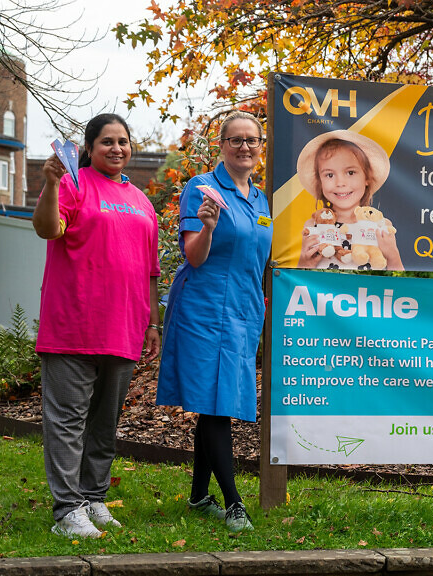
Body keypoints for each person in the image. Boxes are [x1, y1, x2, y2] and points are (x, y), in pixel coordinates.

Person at [32, 113, 160, 538]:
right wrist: (51, 184)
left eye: (123, 141)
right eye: (107, 141)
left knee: (104, 424)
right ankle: (68, 511)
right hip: (73, 324)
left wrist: (153, 323)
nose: (117, 148)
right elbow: (48, 229)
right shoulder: (72, 182)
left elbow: (150, 269)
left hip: (124, 327)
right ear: (89, 148)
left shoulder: (141, 201)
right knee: (68, 422)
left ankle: (92, 498)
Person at [156, 111, 272, 532]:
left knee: (216, 399)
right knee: (216, 402)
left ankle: (197, 497)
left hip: (243, 311)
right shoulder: (201, 188)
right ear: (221, 145)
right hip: (204, 310)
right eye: (235, 139)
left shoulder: (261, 200)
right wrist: (206, 228)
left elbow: (260, 258)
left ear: (261, 147)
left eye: (252, 140)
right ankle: (234, 503)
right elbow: (194, 256)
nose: (244, 147)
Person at [296, 130, 403, 270]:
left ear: (367, 177)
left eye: (350, 172)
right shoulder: (313, 225)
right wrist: (305, 261)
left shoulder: (381, 226)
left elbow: (399, 277)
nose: (340, 183)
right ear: (320, 182)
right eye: (329, 175)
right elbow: (301, 276)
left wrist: (393, 255)